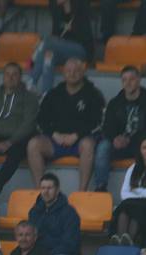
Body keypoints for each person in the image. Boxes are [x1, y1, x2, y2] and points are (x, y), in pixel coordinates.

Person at [27, 58, 104, 191]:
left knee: (88, 145)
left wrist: (76, 135)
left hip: (80, 142)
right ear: (63, 73)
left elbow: (98, 122)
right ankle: (41, 191)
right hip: (55, 141)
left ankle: (81, 192)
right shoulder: (53, 93)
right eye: (68, 71)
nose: (72, 73)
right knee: (33, 144)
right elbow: (40, 120)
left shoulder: (93, 94)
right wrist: (54, 134)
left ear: (83, 72)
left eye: (76, 71)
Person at [92, 66, 146, 192]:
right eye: (124, 80)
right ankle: (100, 188)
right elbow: (107, 127)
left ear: (139, 80)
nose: (127, 83)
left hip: (139, 144)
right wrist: (115, 139)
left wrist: (129, 140)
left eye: (131, 79)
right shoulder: (114, 103)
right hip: (118, 145)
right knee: (103, 146)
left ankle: (142, 188)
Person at [0, 62, 39, 195]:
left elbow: (29, 124)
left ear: (20, 77)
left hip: (18, 140)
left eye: (15, 74)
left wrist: (10, 142)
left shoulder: (29, 98)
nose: (10, 77)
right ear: (3, 77)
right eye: (7, 74)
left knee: (17, 152)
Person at [27, 173, 81, 255]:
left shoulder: (69, 213)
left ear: (57, 190)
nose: (45, 191)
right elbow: (30, 238)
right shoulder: (34, 212)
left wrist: (45, 254)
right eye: (43, 188)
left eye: (49, 188)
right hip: (40, 254)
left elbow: (70, 244)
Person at [110, 137, 146, 247]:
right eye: (144, 148)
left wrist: (137, 191)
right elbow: (124, 193)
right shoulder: (133, 167)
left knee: (137, 208)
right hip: (136, 203)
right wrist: (141, 195)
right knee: (124, 208)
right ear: (140, 150)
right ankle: (120, 239)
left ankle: (130, 240)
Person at [29, 0, 93, 95]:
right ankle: (46, 94)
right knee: (48, 56)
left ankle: (32, 81)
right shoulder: (58, 11)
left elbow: (86, 36)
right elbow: (56, 36)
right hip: (62, 52)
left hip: (81, 50)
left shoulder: (81, 7)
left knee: (47, 42)